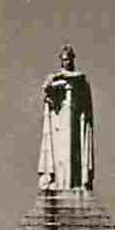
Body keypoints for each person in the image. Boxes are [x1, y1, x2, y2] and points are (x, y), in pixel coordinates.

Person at [38, 45, 94, 190]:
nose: (67, 62)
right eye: (64, 60)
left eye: (69, 59)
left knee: (74, 153)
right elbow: (46, 88)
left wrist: (59, 77)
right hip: (58, 120)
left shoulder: (79, 79)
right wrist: (55, 84)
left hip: (75, 119)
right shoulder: (55, 77)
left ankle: (75, 183)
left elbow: (80, 77)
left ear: (72, 60)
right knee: (59, 156)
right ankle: (57, 181)